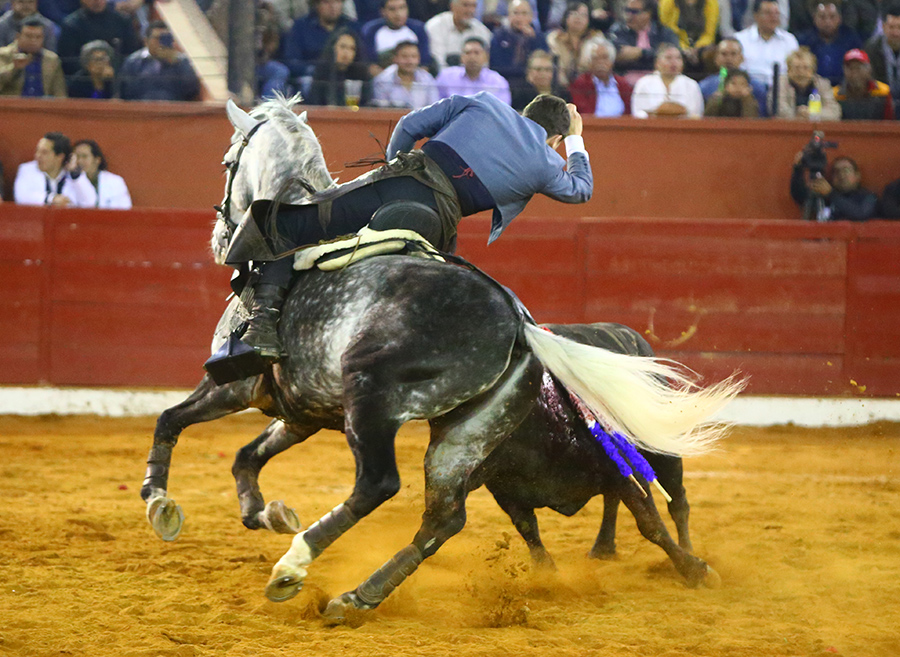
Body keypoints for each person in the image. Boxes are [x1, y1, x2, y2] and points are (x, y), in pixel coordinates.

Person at [230, 93, 591, 359]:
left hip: (395, 189)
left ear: (524, 112)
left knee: (286, 221)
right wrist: (576, 139)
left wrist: (391, 168)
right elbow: (581, 190)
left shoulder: (485, 103)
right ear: (555, 140)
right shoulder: (547, 162)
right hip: (437, 228)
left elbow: (408, 125)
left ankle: (262, 325)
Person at [57, 0, 141, 77]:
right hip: (84, 81)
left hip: (118, 77)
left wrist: (114, 70)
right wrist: (93, 70)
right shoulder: (71, 25)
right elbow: (68, 60)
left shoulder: (122, 21)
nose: (96, 1)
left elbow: (131, 54)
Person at [120, 21, 200, 101]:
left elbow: (191, 90)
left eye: (166, 38)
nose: (161, 43)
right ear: (146, 41)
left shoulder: (181, 60)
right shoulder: (134, 61)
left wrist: (174, 63)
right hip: (142, 108)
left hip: (173, 108)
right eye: (157, 38)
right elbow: (126, 91)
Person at [14, 131, 97, 207]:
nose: (38, 156)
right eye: (37, 151)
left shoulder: (73, 175)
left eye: (44, 152)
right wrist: (51, 199)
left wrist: (75, 173)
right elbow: (21, 196)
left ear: (59, 157)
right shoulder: (27, 169)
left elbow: (90, 201)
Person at [608, 0, 680, 85]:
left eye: (634, 12)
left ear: (648, 13)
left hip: (659, 84)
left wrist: (641, 53)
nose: (629, 15)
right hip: (624, 85)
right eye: (627, 10)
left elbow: (674, 56)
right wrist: (655, 54)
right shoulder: (617, 30)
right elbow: (617, 55)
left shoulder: (663, 32)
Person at [283, 0, 359, 79]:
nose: (332, 7)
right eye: (326, 2)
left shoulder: (352, 27)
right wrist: (318, 71)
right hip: (311, 78)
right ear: (316, 5)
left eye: (337, 2)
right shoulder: (300, 27)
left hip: (345, 78)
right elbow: (292, 61)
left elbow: (361, 61)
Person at [791, 153, 878, 221]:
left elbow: (860, 214)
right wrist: (798, 170)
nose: (841, 175)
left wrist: (831, 194)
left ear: (857, 176)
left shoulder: (868, 197)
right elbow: (800, 197)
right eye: (837, 171)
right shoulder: (824, 198)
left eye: (846, 170)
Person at [734, 0, 798, 87]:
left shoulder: (789, 40)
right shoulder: (740, 39)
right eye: (768, 13)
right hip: (749, 88)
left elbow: (794, 69)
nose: (773, 17)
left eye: (776, 13)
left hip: (781, 88)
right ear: (756, 16)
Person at [797, 1, 861, 86]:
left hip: (844, 90)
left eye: (832, 17)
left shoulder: (851, 39)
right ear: (814, 19)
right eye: (822, 17)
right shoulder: (804, 41)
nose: (828, 22)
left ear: (839, 18)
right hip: (813, 89)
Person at [699, 37, 768, 115]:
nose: (728, 58)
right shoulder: (704, 86)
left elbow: (763, 118)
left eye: (733, 54)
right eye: (724, 54)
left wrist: (747, 99)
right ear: (716, 58)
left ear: (742, 58)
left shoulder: (757, 87)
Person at [631, 42, 704, 116]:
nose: (674, 62)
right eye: (668, 58)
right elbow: (638, 113)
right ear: (657, 63)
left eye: (678, 58)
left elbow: (696, 115)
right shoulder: (644, 83)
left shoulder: (691, 85)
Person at [0, 16, 66, 96]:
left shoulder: (52, 60)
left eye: (38, 37)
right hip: (10, 106)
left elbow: (59, 93)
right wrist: (14, 68)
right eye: (29, 36)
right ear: (17, 37)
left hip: (43, 106)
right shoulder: (3, 55)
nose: (33, 41)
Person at [546, 1, 605, 86]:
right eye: (574, 13)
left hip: (591, 85)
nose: (578, 18)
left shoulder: (597, 38)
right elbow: (558, 67)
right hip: (562, 85)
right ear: (566, 17)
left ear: (589, 19)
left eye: (583, 15)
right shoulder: (555, 38)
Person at [489, 0, 547, 88]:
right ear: (508, 16)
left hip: (532, 84)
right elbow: (496, 65)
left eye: (524, 13)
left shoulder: (538, 37)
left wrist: (532, 40)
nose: (519, 18)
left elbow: (544, 60)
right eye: (515, 13)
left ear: (531, 17)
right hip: (504, 82)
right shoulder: (499, 36)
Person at [307, 26, 372, 104]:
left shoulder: (362, 75)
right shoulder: (322, 72)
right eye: (342, 47)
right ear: (333, 48)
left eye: (352, 48)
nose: (346, 53)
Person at [360, 0, 432, 70]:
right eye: (392, 9)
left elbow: (424, 64)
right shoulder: (371, 30)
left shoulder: (418, 29)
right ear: (383, 11)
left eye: (402, 8)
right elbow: (370, 64)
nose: (398, 14)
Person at [772, 47, 841, 118]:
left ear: (813, 70)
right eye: (796, 68)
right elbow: (777, 110)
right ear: (788, 70)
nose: (801, 72)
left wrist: (811, 114)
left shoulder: (823, 85)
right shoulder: (779, 84)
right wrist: (797, 113)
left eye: (806, 68)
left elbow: (834, 112)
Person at [569, 38, 633, 115]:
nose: (601, 62)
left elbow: (630, 111)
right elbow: (582, 112)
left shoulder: (623, 84)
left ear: (612, 61)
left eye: (605, 58)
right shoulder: (580, 84)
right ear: (589, 62)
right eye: (596, 58)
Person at [435, 36, 511, 100]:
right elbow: (435, 106)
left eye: (477, 53)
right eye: (468, 53)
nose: (472, 57)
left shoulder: (497, 81)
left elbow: (503, 110)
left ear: (486, 57)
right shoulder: (446, 77)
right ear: (461, 57)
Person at [425, 0, 492, 69]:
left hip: (474, 77)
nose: (470, 10)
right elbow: (438, 62)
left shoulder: (482, 31)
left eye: (474, 6)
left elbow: (484, 64)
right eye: (465, 5)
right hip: (443, 77)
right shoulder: (435, 26)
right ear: (452, 6)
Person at [657, 0, 719, 72]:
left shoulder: (711, 2)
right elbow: (668, 29)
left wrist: (697, 48)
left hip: (701, 44)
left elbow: (709, 33)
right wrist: (684, 48)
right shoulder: (668, 2)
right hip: (676, 41)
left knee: (710, 54)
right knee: (673, 53)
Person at [372, 40, 438, 107]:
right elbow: (381, 110)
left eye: (414, 56)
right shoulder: (383, 79)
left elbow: (434, 108)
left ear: (419, 59)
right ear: (395, 58)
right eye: (404, 56)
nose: (410, 61)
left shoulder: (427, 79)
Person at [833, 47, 895, 119]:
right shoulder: (835, 94)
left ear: (869, 69)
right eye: (850, 68)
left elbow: (890, 122)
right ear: (844, 71)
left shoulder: (884, 91)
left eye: (859, 68)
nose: (855, 73)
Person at [73, 139, 132, 208]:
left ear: (97, 160)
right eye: (76, 157)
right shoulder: (69, 181)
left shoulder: (115, 182)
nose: (79, 161)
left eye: (84, 156)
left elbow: (125, 209)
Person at [864, 0, 900, 106]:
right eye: (892, 27)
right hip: (880, 103)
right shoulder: (871, 49)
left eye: (899, 27)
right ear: (884, 27)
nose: (896, 33)